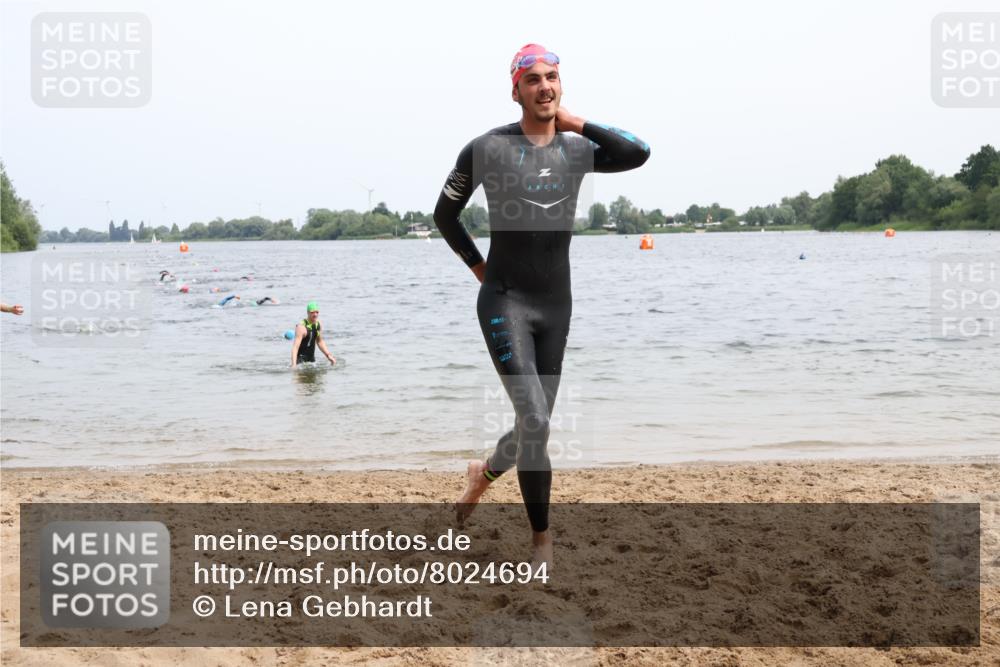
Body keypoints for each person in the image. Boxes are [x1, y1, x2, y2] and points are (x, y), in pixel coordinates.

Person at [433, 43, 649, 568]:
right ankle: (541, 542)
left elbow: (637, 152)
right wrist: (482, 272)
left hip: (557, 305)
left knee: (537, 425)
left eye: (552, 78)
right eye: (532, 80)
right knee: (535, 418)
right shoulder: (486, 148)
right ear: (515, 91)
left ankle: (480, 477)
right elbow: (445, 215)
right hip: (505, 301)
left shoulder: (578, 150)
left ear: (561, 86)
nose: (544, 87)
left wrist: (575, 122)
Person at [291, 301, 336, 367]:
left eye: (317, 312)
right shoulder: (301, 327)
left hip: (311, 360)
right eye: (312, 312)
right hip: (300, 361)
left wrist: (328, 355)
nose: (315, 314)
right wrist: (294, 365)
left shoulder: (318, 324)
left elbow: (320, 341)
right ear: (308, 312)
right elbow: (295, 347)